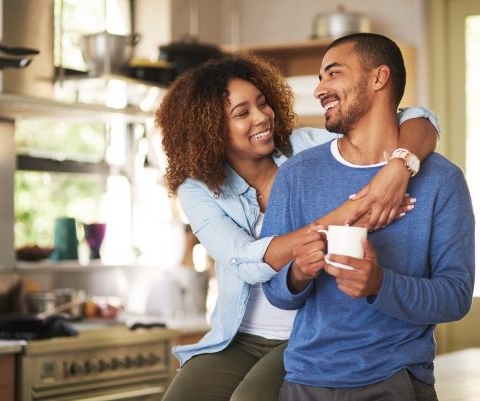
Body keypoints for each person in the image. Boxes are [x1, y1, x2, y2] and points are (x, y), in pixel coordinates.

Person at [156, 54, 440, 401]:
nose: (262, 117)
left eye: (262, 104)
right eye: (242, 113)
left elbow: (418, 118)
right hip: (237, 336)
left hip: (307, 334)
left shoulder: (308, 147)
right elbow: (245, 260)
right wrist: (352, 210)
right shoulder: (198, 189)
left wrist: (399, 167)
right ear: (210, 130)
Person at [261, 33, 475, 401]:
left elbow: (455, 297)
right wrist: (298, 273)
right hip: (304, 382)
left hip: (396, 381)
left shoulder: (442, 180)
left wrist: (379, 283)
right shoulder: (297, 174)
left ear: (378, 78)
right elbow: (276, 292)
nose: (320, 90)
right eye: (319, 79)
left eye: (333, 74)